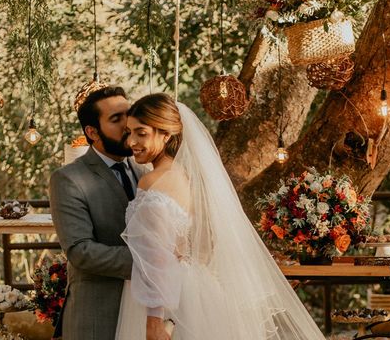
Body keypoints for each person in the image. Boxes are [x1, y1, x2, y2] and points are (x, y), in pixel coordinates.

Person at [116, 93, 326, 340]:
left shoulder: (152, 181)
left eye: (141, 133)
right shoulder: (188, 177)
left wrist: (153, 320)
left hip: (164, 299)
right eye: (129, 132)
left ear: (166, 134)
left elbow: (156, 257)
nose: (131, 141)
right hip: (197, 289)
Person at [49, 86, 148, 340]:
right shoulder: (69, 179)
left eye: (129, 114)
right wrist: (149, 262)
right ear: (92, 132)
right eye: (116, 119)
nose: (128, 124)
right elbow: (80, 251)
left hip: (145, 311)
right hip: (98, 316)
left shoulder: (146, 170)